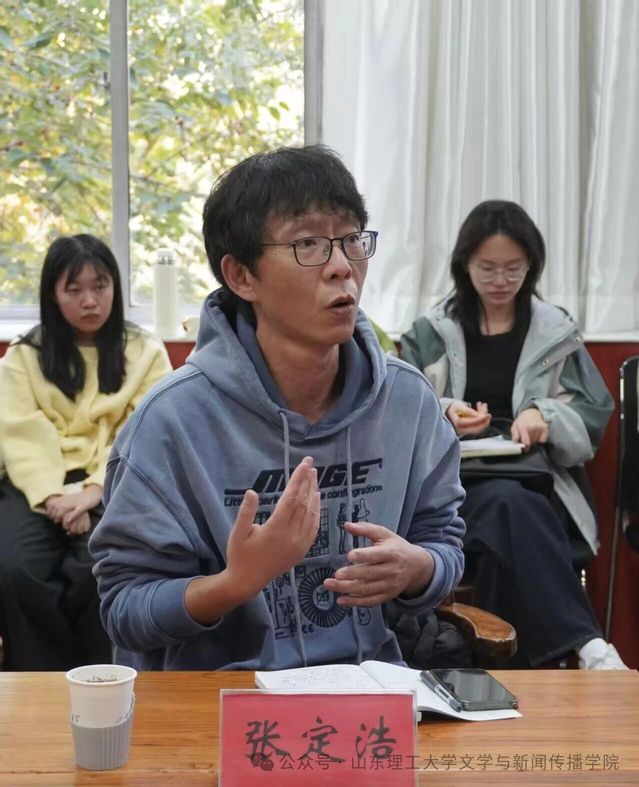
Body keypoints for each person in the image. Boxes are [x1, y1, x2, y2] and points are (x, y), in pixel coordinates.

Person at [89, 145, 465, 671]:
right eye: (308, 243)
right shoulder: (170, 422)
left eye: (351, 239)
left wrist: (418, 568)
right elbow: (125, 610)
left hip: (370, 692)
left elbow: (443, 542)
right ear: (242, 276)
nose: (342, 267)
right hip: (221, 700)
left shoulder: (408, 401)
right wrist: (235, 583)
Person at [401, 199, 627, 669]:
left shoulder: (555, 332)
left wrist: (545, 416)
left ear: (532, 267)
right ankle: (587, 646)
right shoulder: (431, 332)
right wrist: (446, 412)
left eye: (513, 269)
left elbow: (593, 412)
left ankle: (499, 672)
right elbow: (400, 407)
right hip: (452, 490)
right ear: (465, 265)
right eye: (487, 268)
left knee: (510, 513)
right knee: (510, 509)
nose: (500, 281)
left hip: (536, 481)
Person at [0, 234, 172, 670]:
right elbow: (18, 431)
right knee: (17, 568)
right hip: (37, 484)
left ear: (116, 286)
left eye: (100, 286)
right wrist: (54, 496)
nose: (90, 301)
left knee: (96, 569)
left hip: (118, 481)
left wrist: (94, 491)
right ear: (52, 295)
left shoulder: (146, 352)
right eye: (74, 289)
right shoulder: (25, 355)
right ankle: (39, 682)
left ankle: (102, 679)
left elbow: (145, 432)